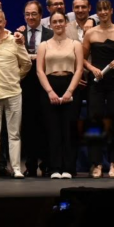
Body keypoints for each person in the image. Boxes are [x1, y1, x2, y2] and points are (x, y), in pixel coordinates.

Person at [83, 0, 114, 178]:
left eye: (106, 9)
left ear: (112, 11)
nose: (103, 12)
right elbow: (82, 59)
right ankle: (96, 163)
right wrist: (92, 69)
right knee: (94, 121)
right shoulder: (90, 33)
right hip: (97, 81)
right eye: (100, 10)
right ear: (97, 13)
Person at [0, 9, 31, 179]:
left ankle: (16, 168)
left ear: (5, 22)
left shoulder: (15, 40)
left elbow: (26, 63)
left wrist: (16, 77)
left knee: (14, 133)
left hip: (13, 92)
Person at [35, 11, 83, 179]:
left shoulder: (76, 44)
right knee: (52, 130)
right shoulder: (44, 45)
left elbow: (79, 69)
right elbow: (40, 71)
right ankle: (54, 167)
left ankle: (69, 168)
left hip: (70, 84)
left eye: (61, 21)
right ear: (50, 24)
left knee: (69, 130)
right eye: (54, 22)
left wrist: (70, 91)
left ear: (66, 23)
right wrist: (50, 91)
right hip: (50, 85)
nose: (58, 24)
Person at [21, 1, 53, 177]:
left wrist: (36, 57)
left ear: (41, 15)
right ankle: (30, 165)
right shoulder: (18, 35)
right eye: (27, 14)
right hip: (26, 85)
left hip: (46, 84)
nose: (30, 17)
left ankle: (47, 164)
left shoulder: (50, 34)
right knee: (28, 126)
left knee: (46, 125)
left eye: (34, 14)